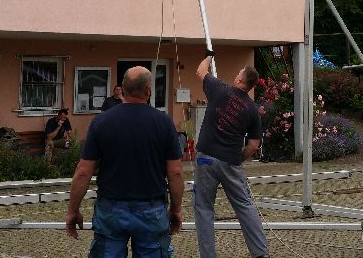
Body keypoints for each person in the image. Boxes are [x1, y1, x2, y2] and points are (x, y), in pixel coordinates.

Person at [65, 66, 184, 257]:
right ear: (148, 90)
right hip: (151, 210)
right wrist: (176, 209)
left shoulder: (101, 122)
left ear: (122, 89)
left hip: (110, 209)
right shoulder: (164, 123)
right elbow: (175, 172)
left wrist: (73, 210)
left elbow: (83, 172)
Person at [194, 56, 268, 258]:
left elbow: (200, 71)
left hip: (205, 157)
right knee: (244, 205)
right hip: (230, 161)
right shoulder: (252, 109)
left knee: (203, 208)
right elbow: (254, 145)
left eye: (238, 74)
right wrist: (239, 159)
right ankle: (260, 252)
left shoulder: (219, 89)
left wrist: (209, 56)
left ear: (239, 80)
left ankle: (208, 255)